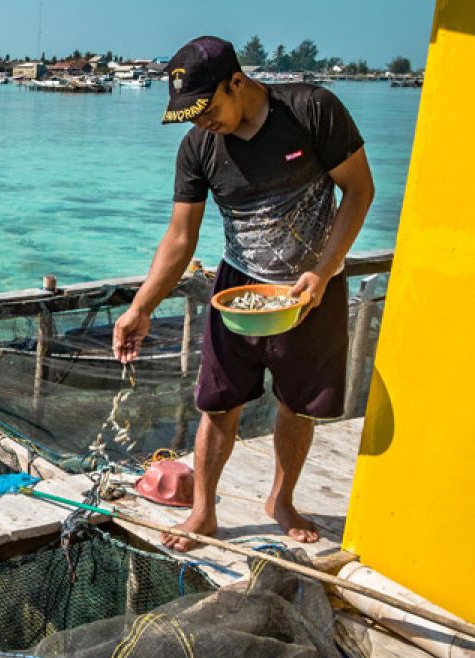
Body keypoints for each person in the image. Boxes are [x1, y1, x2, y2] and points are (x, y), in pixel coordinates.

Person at [112, 36, 375, 551]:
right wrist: (140, 308)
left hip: (312, 289)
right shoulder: (199, 147)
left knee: (297, 406)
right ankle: (205, 512)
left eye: (206, 109)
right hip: (238, 289)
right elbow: (181, 238)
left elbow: (360, 190)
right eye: (189, 116)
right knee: (217, 405)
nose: (199, 123)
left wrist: (324, 271)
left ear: (237, 82)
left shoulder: (311, 111)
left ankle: (281, 499)